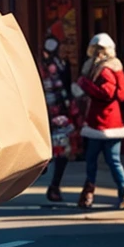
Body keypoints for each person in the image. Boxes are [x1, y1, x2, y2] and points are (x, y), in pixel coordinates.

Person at [77, 33, 124, 209]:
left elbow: (108, 93)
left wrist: (85, 85)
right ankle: (120, 191)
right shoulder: (109, 68)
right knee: (108, 160)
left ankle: (96, 192)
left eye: (99, 50)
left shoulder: (105, 69)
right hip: (104, 121)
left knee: (101, 160)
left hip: (103, 121)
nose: (96, 54)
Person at [40, 35, 76, 202]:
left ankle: (53, 184)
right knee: (61, 153)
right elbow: (57, 92)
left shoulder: (53, 66)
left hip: (49, 115)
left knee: (56, 152)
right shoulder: (52, 68)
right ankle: (54, 186)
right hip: (56, 115)